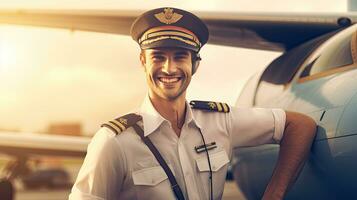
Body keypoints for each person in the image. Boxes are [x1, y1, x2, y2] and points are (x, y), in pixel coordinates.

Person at [69, 7, 316, 200]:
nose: (169, 68)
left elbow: (300, 125)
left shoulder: (221, 121)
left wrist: (273, 195)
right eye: (158, 57)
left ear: (195, 64)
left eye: (180, 57)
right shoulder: (113, 142)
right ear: (143, 61)